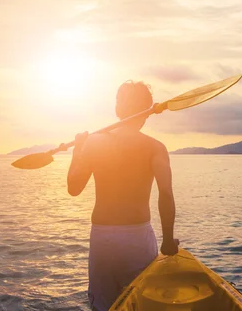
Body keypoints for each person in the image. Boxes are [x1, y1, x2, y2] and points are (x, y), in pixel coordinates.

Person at [64, 80, 179, 311]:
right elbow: (165, 194)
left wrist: (78, 150)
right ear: (146, 113)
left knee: (103, 306)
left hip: (102, 237)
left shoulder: (94, 143)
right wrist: (167, 240)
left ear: (118, 109)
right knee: (140, 304)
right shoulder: (155, 147)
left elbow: (73, 188)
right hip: (136, 237)